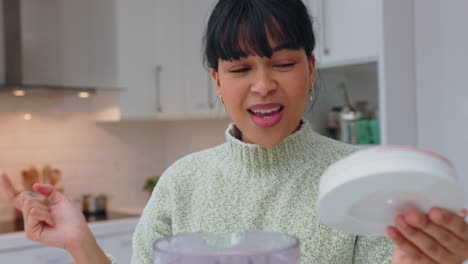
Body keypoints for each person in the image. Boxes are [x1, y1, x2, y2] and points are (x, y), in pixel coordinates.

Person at [1, 0, 468, 263]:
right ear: (217, 83)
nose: (264, 86)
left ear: (310, 67)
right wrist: (79, 242)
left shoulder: (357, 181)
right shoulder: (181, 183)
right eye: (241, 68)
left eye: (283, 63)